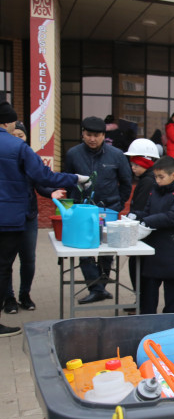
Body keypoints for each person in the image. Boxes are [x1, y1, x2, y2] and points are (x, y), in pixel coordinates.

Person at [0, 101, 88, 335]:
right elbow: (44, 176)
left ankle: (22, 296)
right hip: (9, 220)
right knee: (3, 266)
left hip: (15, 216)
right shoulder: (17, 147)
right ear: (8, 122)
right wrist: (75, 178)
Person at [64, 116, 133, 304]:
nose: (92, 139)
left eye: (97, 135)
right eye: (88, 135)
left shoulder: (116, 155)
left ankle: (100, 287)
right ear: (82, 134)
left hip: (108, 209)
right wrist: (73, 207)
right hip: (82, 211)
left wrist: (117, 205)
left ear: (104, 135)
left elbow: (126, 183)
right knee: (84, 250)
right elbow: (68, 182)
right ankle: (96, 288)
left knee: (107, 251)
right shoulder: (73, 154)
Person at [3, 121, 66, 314]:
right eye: (13, 135)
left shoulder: (28, 156)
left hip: (29, 216)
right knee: (6, 261)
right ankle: (9, 298)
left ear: (26, 138)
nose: (17, 138)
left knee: (28, 259)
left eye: (20, 135)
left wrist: (51, 192)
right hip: (8, 218)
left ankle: (25, 295)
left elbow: (41, 182)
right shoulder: (5, 158)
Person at [131, 156, 174, 314]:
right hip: (154, 246)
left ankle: (171, 320)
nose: (157, 180)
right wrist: (136, 216)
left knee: (171, 287)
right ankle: (148, 317)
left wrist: (147, 220)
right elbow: (147, 211)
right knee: (150, 286)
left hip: (173, 247)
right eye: (156, 176)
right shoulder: (155, 190)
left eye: (161, 177)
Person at [124, 138, 160, 299]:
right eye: (131, 164)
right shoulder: (148, 179)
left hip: (144, 231)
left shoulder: (148, 181)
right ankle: (141, 301)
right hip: (145, 230)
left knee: (138, 267)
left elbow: (140, 209)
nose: (132, 168)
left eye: (136, 165)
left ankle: (141, 302)